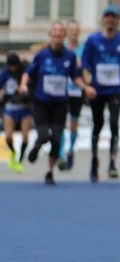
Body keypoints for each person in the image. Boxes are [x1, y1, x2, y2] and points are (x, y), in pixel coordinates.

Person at [19, 22, 87, 185]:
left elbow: (75, 77)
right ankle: (36, 146)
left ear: (64, 36)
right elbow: (28, 73)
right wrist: (23, 84)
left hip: (60, 104)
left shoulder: (70, 57)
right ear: (50, 34)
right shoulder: (42, 55)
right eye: (54, 31)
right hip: (42, 102)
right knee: (44, 136)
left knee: (56, 139)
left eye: (60, 31)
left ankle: (50, 172)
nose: (57, 34)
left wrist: (86, 87)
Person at [82, 4, 120, 182]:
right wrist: (87, 81)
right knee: (97, 125)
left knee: (114, 124)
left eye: (113, 17)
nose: (110, 20)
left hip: (115, 89)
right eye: (107, 16)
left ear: (118, 20)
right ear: (102, 19)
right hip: (97, 90)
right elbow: (84, 64)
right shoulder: (93, 40)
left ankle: (112, 163)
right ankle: (94, 160)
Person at [59, 20, 84, 171]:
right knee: (61, 122)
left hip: (77, 91)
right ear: (67, 33)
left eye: (76, 30)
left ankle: (71, 150)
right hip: (62, 90)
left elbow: (86, 66)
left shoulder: (83, 49)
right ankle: (61, 153)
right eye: (71, 30)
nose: (73, 33)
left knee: (74, 123)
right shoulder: (61, 49)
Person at [1, 52, 32, 172]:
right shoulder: (5, 72)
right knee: (8, 136)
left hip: (25, 108)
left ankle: (20, 159)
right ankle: (13, 153)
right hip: (10, 108)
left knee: (25, 137)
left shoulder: (25, 71)